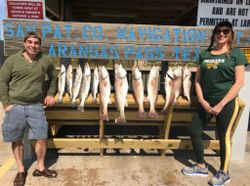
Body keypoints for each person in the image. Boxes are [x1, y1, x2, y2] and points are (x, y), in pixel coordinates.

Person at [181, 21, 248, 186]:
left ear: (231, 35)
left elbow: (239, 82)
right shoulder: (205, 54)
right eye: (218, 31)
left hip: (226, 103)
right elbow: (197, 81)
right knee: (194, 131)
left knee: (224, 137)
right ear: (214, 34)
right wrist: (202, 100)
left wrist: (221, 104)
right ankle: (201, 166)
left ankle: (224, 173)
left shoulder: (236, 54)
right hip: (206, 102)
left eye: (225, 31)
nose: (221, 33)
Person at [0, 31, 58, 186]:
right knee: (16, 139)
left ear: (39, 45)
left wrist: (51, 93)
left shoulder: (45, 60)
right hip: (15, 105)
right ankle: (20, 170)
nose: (33, 45)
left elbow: (54, 77)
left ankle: (40, 167)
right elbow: (2, 81)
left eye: (36, 43)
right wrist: (6, 104)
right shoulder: (12, 60)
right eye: (30, 42)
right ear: (24, 44)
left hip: (36, 106)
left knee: (41, 137)